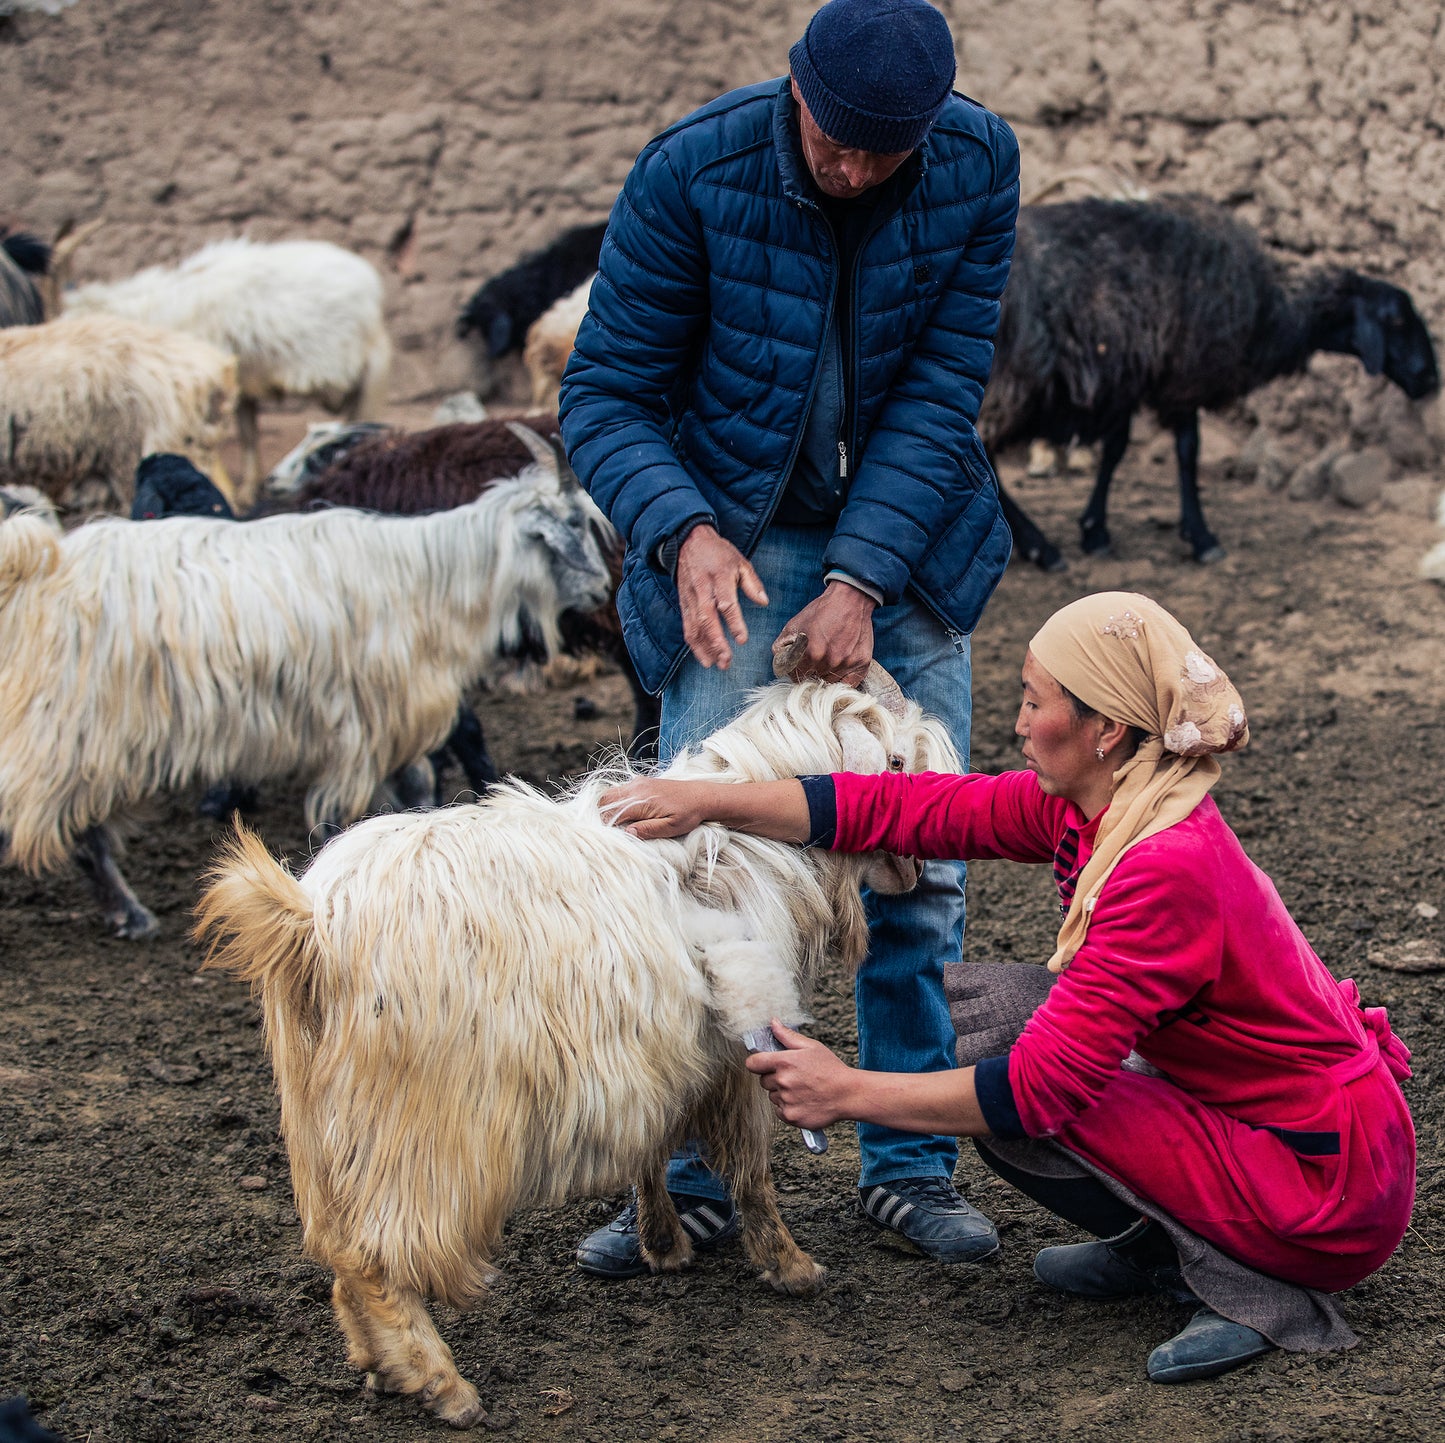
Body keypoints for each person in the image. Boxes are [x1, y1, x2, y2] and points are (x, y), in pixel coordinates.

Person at [599, 591, 1415, 1383]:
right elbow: (908, 808)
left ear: (1107, 729)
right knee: (1000, 1023)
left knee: (1007, 1084)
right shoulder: (1107, 802)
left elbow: (1036, 1093)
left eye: (1035, 703)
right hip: (1274, 1120)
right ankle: (1164, 1234)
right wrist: (707, 798)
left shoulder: (1161, 866)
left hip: (1324, 1186)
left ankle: (1239, 1278)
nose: (1019, 723)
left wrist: (844, 1089)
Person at [558, 0, 1019, 1276]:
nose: (855, 169)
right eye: (834, 142)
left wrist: (865, 572)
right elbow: (601, 391)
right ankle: (697, 1170)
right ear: (795, 91)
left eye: (886, 152)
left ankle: (909, 1165)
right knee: (703, 864)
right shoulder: (693, 169)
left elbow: (939, 390)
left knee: (916, 864)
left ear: (928, 130)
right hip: (731, 537)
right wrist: (680, 532)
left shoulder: (976, 163)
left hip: (907, 547)